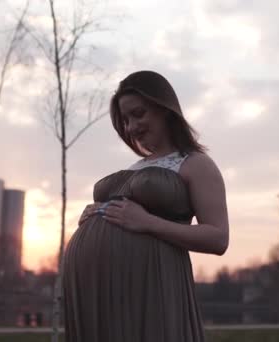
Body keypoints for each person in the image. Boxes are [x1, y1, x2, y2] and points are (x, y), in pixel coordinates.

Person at [63, 70, 229, 342]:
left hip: (152, 286)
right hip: (100, 292)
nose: (130, 127)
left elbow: (218, 237)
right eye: (125, 120)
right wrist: (95, 214)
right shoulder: (136, 167)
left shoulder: (196, 163)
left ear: (165, 110)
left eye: (138, 114)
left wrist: (148, 223)